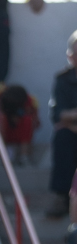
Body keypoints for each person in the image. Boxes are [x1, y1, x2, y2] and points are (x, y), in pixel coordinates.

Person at [47, 32, 77, 220]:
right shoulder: (63, 79)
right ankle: (60, 196)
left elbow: (67, 114)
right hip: (71, 131)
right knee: (62, 138)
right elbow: (58, 114)